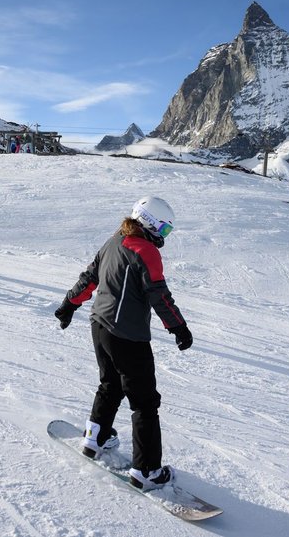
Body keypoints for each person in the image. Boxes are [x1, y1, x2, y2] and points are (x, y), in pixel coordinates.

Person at [54, 196, 192, 491]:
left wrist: (69, 303)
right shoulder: (146, 251)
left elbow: (89, 278)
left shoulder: (115, 239)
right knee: (144, 404)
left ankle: (95, 437)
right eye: (164, 230)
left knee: (110, 384)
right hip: (128, 337)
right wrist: (179, 327)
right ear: (150, 222)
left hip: (100, 327)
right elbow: (160, 295)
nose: (164, 237)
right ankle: (147, 471)